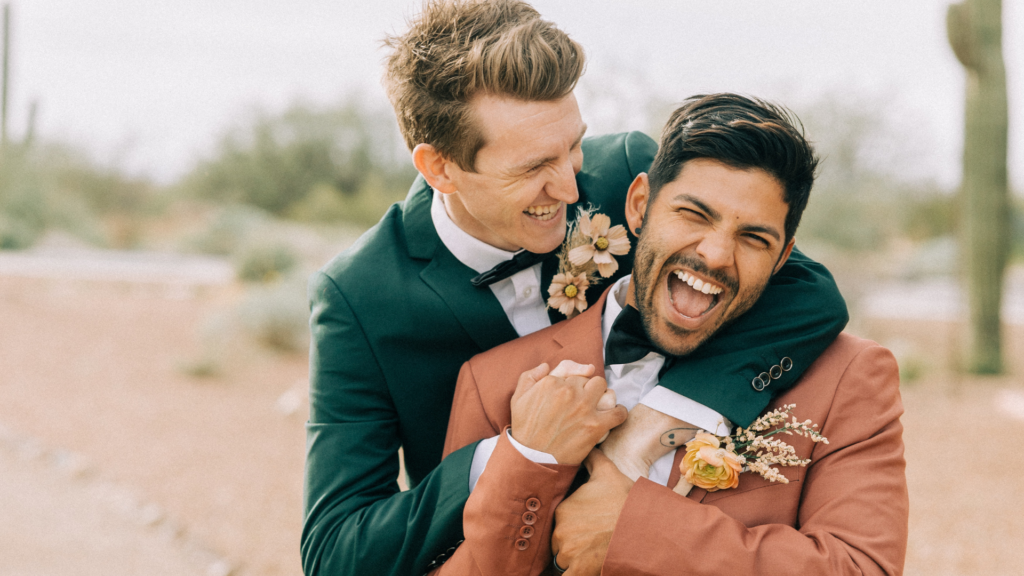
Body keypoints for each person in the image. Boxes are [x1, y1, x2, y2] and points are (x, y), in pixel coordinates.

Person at [301, 2, 848, 575]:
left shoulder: (627, 175)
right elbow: (335, 552)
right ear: (440, 168)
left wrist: (661, 420)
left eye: (573, 146)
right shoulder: (357, 296)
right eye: (534, 166)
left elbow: (809, 292)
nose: (568, 188)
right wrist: (511, 453)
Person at [437, 93, 909, 576]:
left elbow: (862, 568)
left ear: (783, 257)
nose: (717, 254)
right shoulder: (491, 380)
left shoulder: (848, 380)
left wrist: (638, 533)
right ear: (639, 207)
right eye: (694, 214)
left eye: (754, 238)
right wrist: (529, 463)